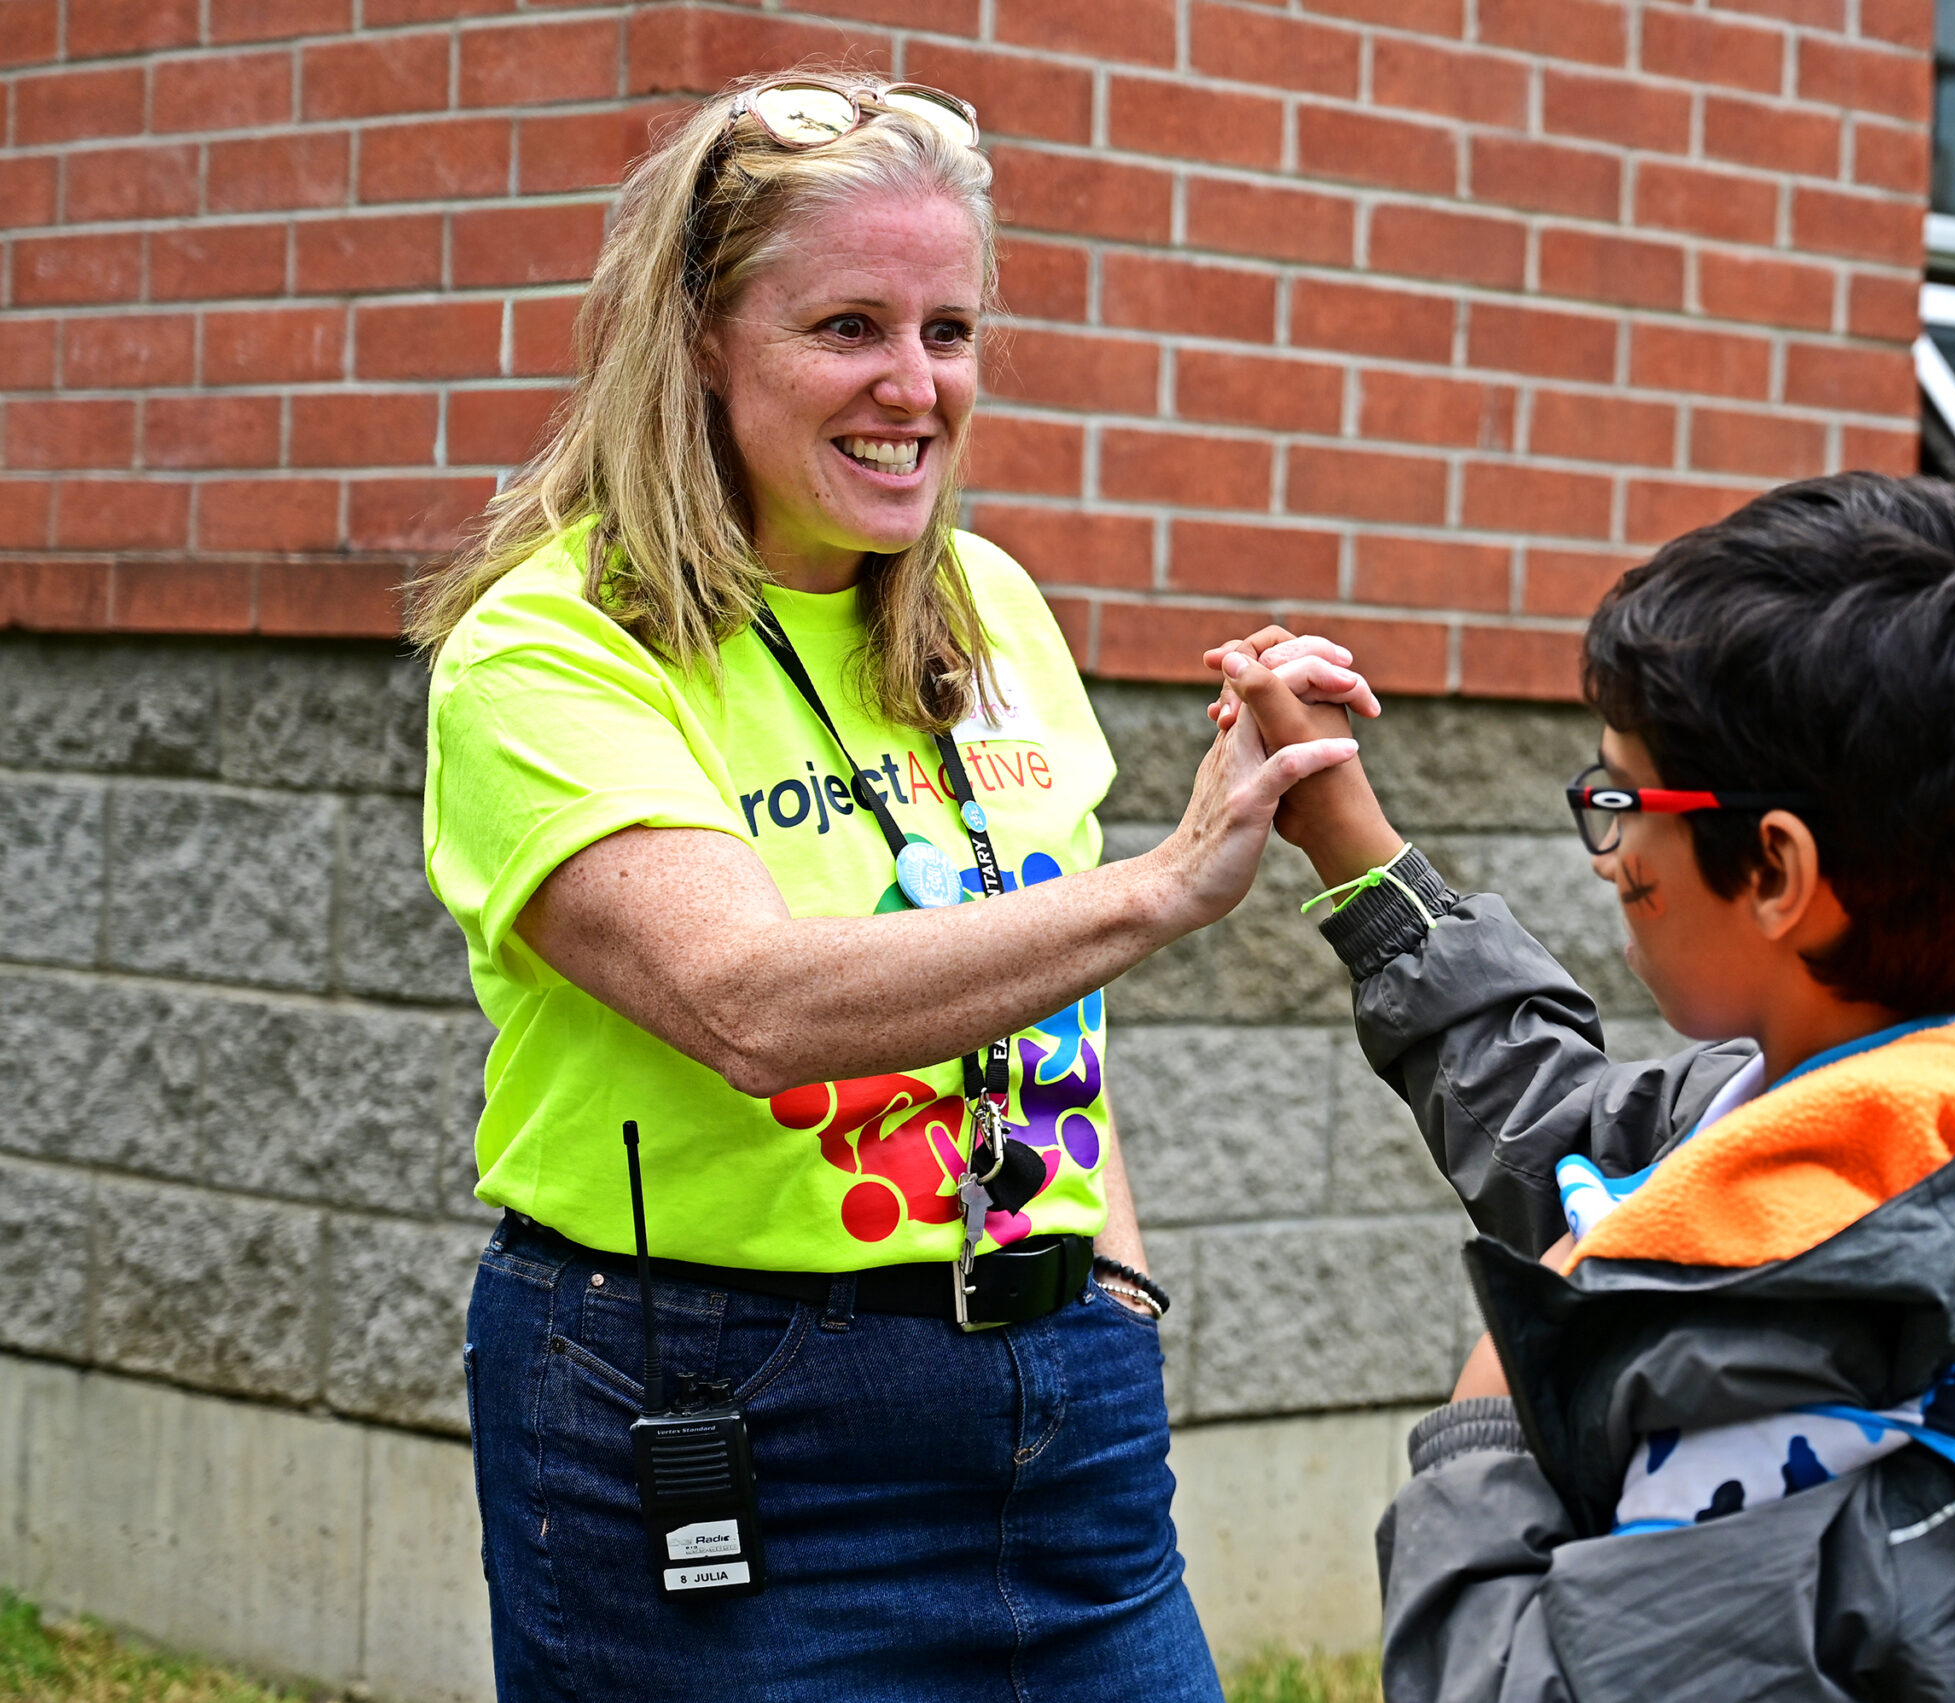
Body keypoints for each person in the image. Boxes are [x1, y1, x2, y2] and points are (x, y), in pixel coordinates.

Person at [406, 73, 1379, 1703]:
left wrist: (1113, 1291)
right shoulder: (552, 646)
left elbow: (1037, 989)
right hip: (715, 1403)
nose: (913, 386)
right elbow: (749, 1002)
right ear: (702, 340)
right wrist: (1159, 889)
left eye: (950, 329)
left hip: (1056, 1395)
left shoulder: (990, 605)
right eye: (849, 325)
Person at [1214, 473, 1955, 1702]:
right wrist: (1353, 844)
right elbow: (1567, 1136)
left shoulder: (1783, 1361)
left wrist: (1489, 1417)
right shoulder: (1933, 1115)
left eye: (1620, 802)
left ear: (1773, 871)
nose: (1608, 855)